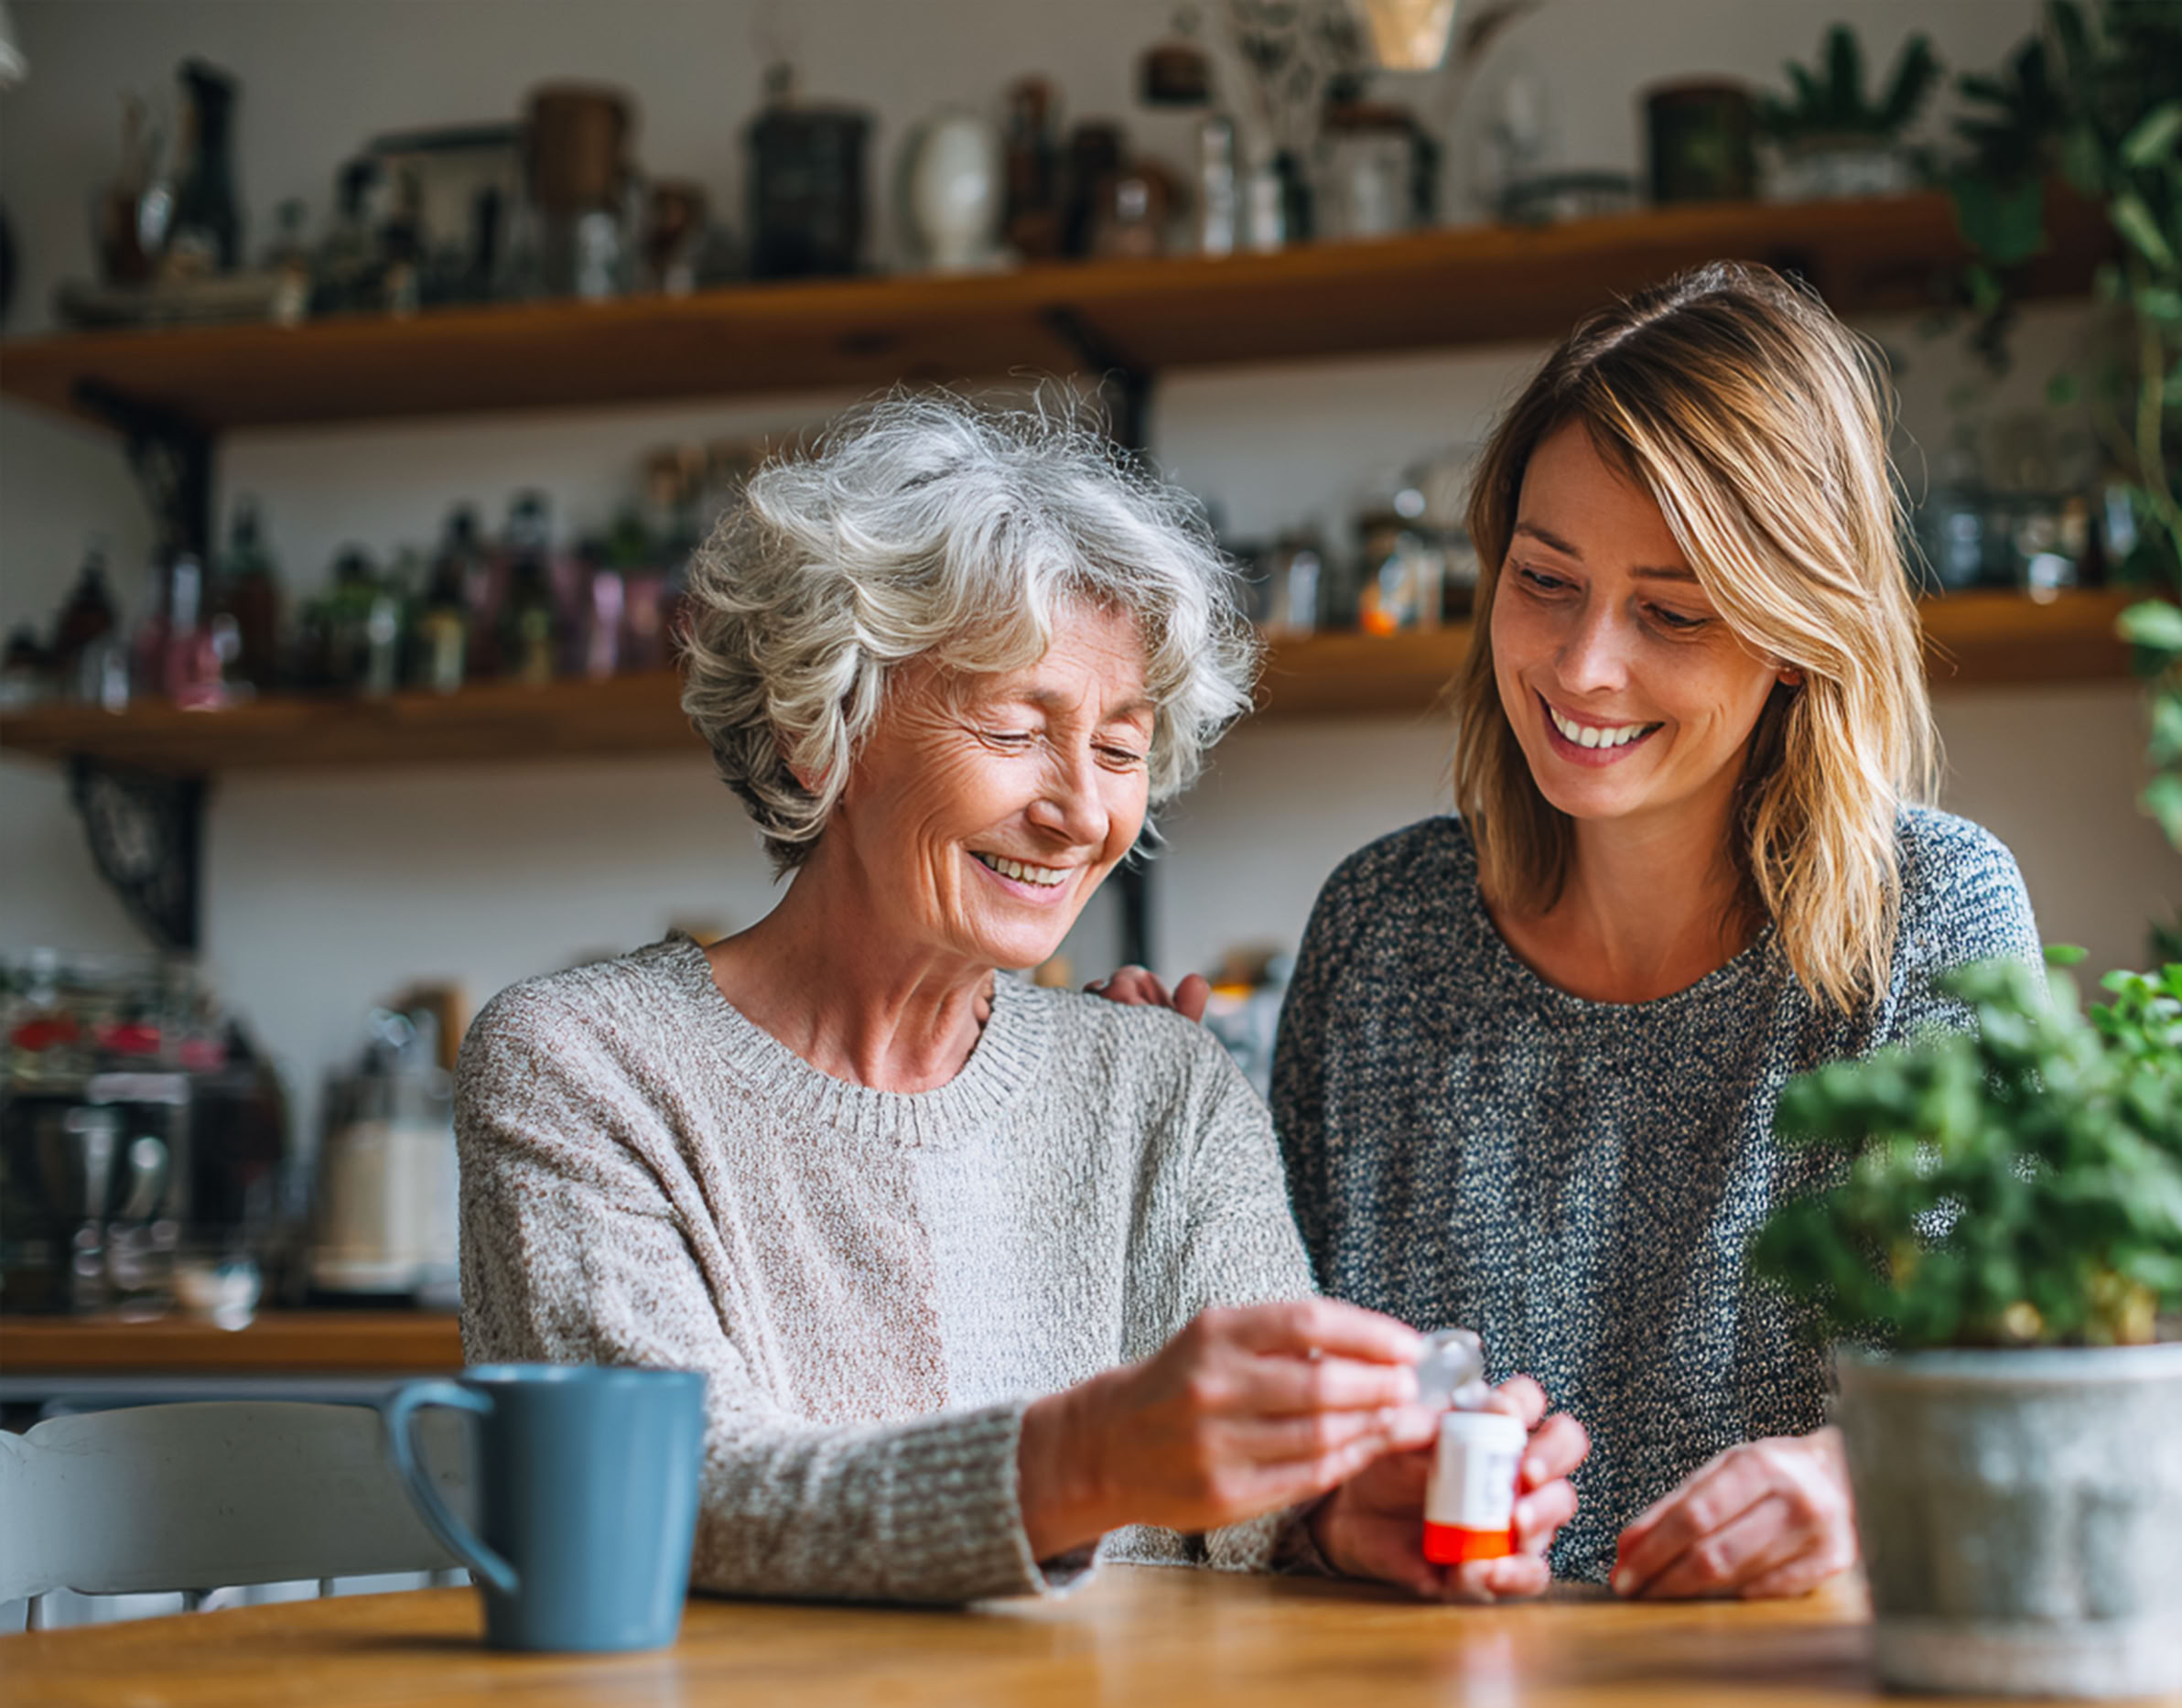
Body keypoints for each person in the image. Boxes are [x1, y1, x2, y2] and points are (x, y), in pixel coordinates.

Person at [456, 393, 1585, 1605]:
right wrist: (1081, 1458)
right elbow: (671, 1492)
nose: (1082, 810)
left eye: (1118, 747)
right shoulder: (581, 1064)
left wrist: (1344, 1508)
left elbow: (1265, 1500)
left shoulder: (1165, 1082)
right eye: (1014, 728)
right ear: (810, 728)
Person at [1107, 262, 2041, 1596]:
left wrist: (1862, 1483)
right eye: (1546, 580)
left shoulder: (1930, 919)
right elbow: (1274, 1476)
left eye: (1671, 611)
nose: (1585, 663)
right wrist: (1172, 1165)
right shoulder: (1383, 931)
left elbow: (2007, 1384)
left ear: (1796, 634)